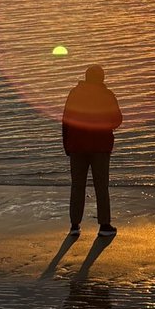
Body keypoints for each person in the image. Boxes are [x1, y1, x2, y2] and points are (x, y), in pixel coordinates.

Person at [61, 64, 122, 237]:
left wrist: (67, 145)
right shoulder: (106, 95)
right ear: (101, 78)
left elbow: (65, 121)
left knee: (77, 186)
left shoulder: (74, 93)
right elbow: (117, 120)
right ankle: (104, 225)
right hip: (100, 147)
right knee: (101, 186)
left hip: (77, 147)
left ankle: (74, 225)